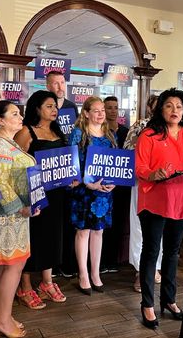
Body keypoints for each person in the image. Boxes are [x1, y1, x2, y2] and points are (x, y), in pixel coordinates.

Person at [135, 88, 183, 329]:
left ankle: (169, 300)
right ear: (160, 109)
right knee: (152, 252)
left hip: (181, 200)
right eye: (169, 106)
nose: (174, 110)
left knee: (173, 253)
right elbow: (140, 167)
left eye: (179, 106)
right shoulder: (149, 135)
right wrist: (153, 173)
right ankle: (147, 304)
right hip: (154, 200)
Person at [0, 101, 40, 336]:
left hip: (13, 216)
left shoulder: (7, 142)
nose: (20, 117)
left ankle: (0, 314)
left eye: (20, 113)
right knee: (12, 267)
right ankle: (2, 319)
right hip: (6, 216)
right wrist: (20, 208)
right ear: (0, 120)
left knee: (5, 267)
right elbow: (0, 183)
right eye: (14, 114)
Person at [14, 90, 68, 309]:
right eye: (48, 106)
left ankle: (47, 282)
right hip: (35, 195)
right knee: (34, 238)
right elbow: (16, 165)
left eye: (55, 106)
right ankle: (24, 286)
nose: (54, 110)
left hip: (58, 193)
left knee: (53, 237)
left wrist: (71, 177)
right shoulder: (26, 132)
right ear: (36, 108)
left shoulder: (58, 130)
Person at [68, 96, 116, 295]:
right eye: (96, 110)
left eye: (102, 110)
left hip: (104, 192)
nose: (101, 114)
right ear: (86, 113)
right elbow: (72, 163)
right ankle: (83, 275)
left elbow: (116, 163)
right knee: (83, 231)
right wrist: (88, 184)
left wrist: (113, 182)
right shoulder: (78, 133)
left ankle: (96, 273)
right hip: (84, 191)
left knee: (99, 231)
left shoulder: (109, 134)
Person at [123, 94, 162, 293]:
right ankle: (140, 270)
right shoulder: (140, 125)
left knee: (161, 228)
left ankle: (156, 267)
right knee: (140, 226)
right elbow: (127, 150)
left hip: (165, 184)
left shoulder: (171, 128)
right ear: (149, 108)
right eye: (158, 106)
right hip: (142, 181)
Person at [46, 71, 78, 279]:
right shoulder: (45, 105)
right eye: (55, 83)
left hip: (69, 165)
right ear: (48, 85)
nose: (60, 86)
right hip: (51, 165)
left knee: (68, 218)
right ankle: (51, 264)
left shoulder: (71, 107)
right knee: (51, 220)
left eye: (62, 82)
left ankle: (66, 262)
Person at [101, 95, 130, 273]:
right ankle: (102, 260)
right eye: (109, 107)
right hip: (103, 184)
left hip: (122, 185)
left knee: (119, 222)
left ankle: (114, 259)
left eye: (115, 107)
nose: (112, 110)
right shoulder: (100, 132)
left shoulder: (126, 132)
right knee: (104, 224)